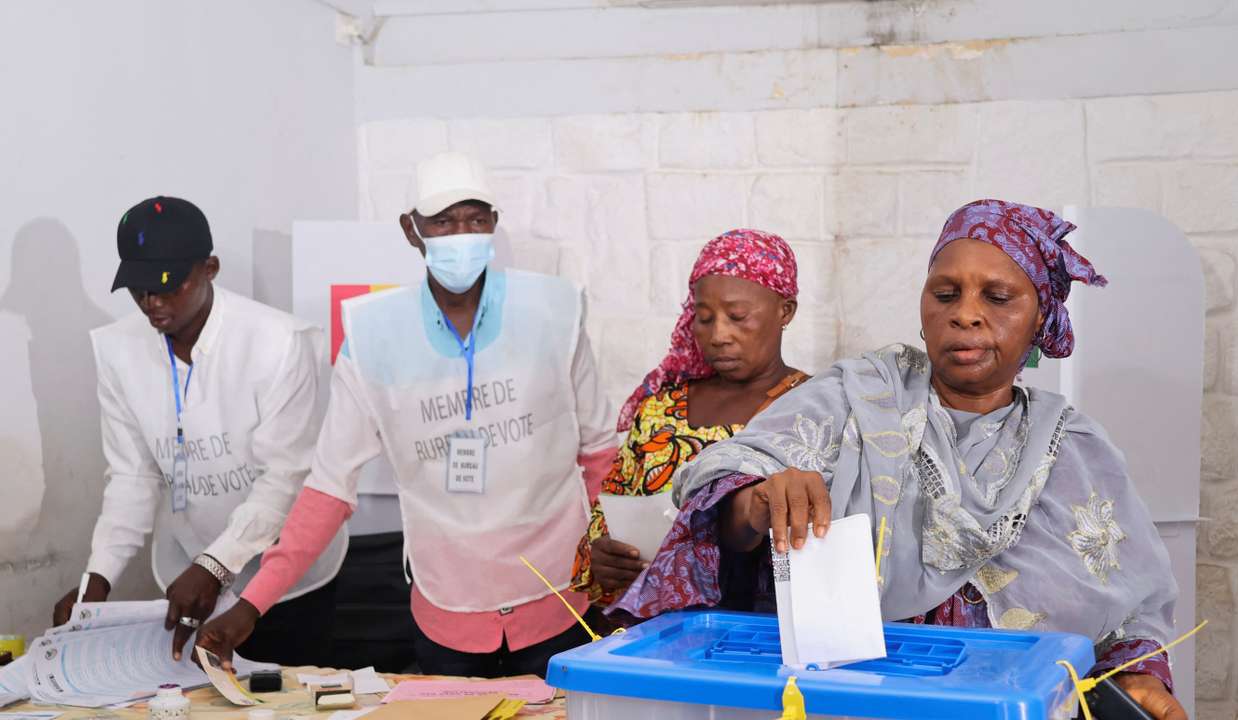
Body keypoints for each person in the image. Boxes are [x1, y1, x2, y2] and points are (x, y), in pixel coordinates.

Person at [613, 200, 1186, 720]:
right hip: (844, 705)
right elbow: (723, 489)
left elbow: (1131, 611)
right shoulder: (850, 399)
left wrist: (1136, 678)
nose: (964, 314)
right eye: (945, 294)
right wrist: (757, 500)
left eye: (997, 296)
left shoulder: (1073, 448)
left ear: (1040, 317)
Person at [195, 151, 616, 679]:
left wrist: (613, 569)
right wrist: (252, 604)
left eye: (475, 218)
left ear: (493, 226)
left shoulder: (555, 310)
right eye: (442, 221)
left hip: (562, 600)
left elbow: (601, 454)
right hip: (447, 611)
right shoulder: (374, 335)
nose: (461, 234)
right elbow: (328, 489)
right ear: (411, 230)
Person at [51, 196, 346, 665]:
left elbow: (285, 479)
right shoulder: (118, 350)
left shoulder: (279, 344)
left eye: (168, 286)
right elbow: (133, 476)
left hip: (285, 582)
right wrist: (97, 580)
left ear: (210, 268)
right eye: (139, 289)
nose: (152, 303)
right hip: (187, 575)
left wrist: (214, 565)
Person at [570, 229, 808, 607]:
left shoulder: (812, 409)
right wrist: (603, 556)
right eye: (705, 317)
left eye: (737, 316)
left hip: (762, 637)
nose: (719, 335)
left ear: (785, 311)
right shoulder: (660, 409)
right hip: (654, 635)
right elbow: (607, 514)